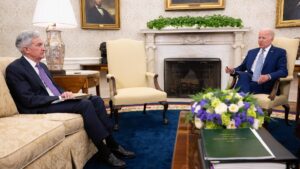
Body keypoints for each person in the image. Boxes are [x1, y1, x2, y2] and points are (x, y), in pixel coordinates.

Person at [5, 30, 135, 168]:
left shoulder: (42, 66)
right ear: (27, 49)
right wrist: (58, 97)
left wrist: (65, 93)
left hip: (54, 100)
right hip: (38, 107)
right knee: (84, 105)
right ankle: (105, 152)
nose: (44, 48)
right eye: (39, 45)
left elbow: (53, 86)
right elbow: (27, 99)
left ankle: (112, 143)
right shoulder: (15, 69)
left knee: (96, 100)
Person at [225, 28, 288, 94]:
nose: (260, 40)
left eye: (263, 38)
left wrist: (268, 76)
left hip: (265, 84)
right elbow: (242, 67)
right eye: (259, 38)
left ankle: (237, 97)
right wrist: (233, 70)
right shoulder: (252, 52)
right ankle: (240, 98)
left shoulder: (279, 52)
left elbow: (283, 71)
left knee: (243, 79)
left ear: (271, 39)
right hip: (249, 80)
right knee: (244, 75)